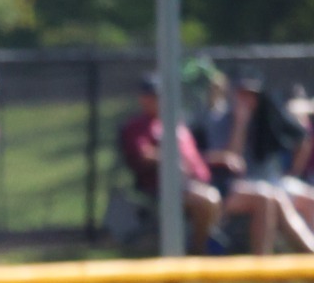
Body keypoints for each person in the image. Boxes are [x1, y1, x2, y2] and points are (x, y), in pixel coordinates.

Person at [121, 76, 314, 254]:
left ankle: (264, 266)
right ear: (143, 98)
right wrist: (170, 159)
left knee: (267, 197)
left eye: (161, 96)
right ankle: (198, 253)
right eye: (152, 96)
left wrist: (220, 158)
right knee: (210, 198)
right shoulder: (139, 126)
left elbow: (196, 159)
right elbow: (143, 155)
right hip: (171, 188)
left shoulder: (174, 124)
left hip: (211, 181)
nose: (158, 100)